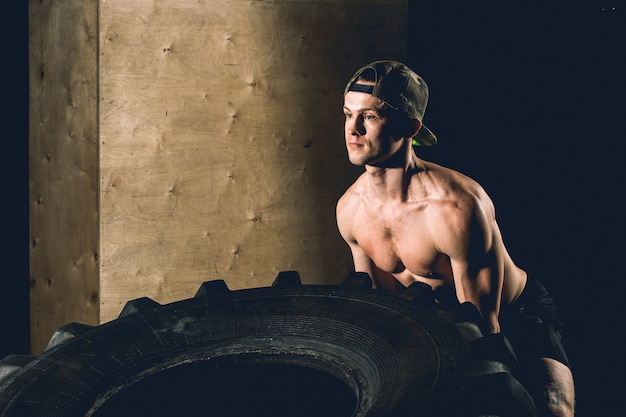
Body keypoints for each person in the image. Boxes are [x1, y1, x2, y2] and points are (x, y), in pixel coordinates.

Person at [336, 60, 575, 417]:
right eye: (347, 114)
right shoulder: (349, 210)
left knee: (553, 412)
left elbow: (485, 331)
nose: (352, 129)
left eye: (369, 117)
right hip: (434, 325)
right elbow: (379, 310)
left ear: (409, 126)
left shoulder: (455, 207)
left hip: (513, 317)